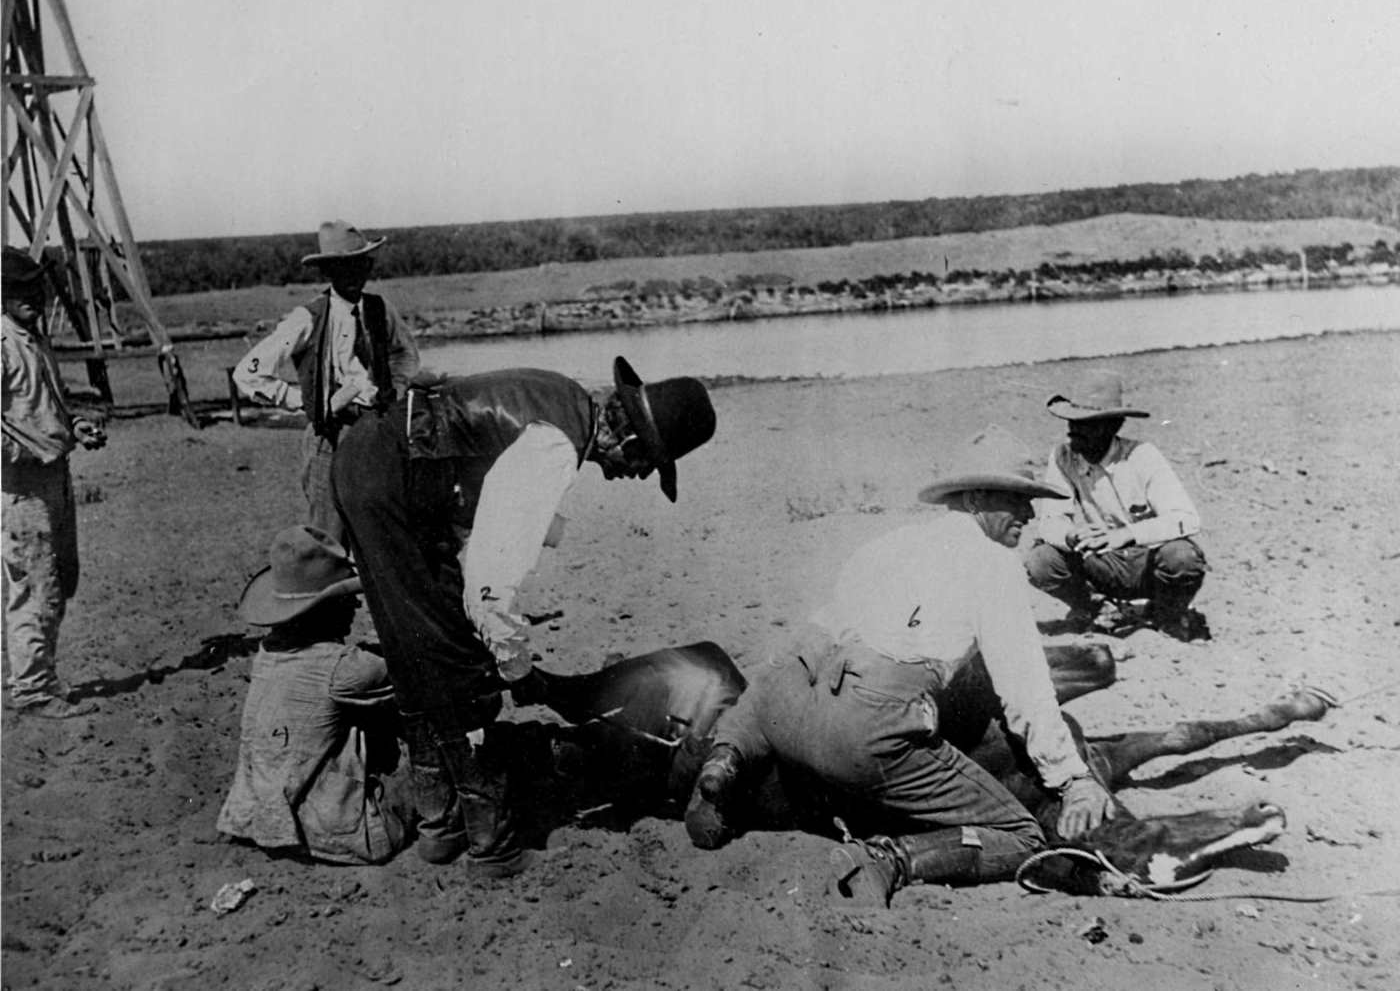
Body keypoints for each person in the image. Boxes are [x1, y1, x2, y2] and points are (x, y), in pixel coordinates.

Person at [685, 426, 1115, 906]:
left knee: (789, 682)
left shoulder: (890, 544)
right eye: (1015, 499)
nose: (1029, 512)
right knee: (1023, 836)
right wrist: (1072, 780)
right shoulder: (994, 566)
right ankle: (891, 859)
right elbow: (1025, 690)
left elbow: (815, 635)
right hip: (865, 725)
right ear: (975, 499)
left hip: (786, 705)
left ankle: (726, 759)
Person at [331, 358, 716, 878]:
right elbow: (489, 587)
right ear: (629, 444)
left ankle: (439, 828)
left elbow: (472, 492)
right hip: (389, 479)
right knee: (458, 664)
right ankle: (493, 846)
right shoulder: (553, 446)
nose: (637, 476)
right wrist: (514, 668)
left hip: (373, 467)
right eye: (647, 465)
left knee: (414, 652)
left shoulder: (562, 398)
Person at [217, 526, 416, 864]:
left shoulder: (269, 651)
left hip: (259, 814)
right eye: (346, 598)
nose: (355, 605)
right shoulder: (343, 668)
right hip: (332, 831)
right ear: (325, 609)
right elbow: (416, 673)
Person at [232, 220, 419, 545]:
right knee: (328, 537)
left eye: (362, 263)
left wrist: (397, 388)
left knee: (383, 527)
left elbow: (406, 354)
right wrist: (304, 402)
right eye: (343, 266)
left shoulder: (379, 309)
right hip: (332, 436)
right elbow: (248, 372)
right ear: (328, 272)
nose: (355, 273)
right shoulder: (309, 318)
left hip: (379, 430)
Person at [1024, 368, 1209, 641]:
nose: (1073, 431)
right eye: (1072, 422)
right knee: (1041, 561)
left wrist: (1126, 535)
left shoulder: (1142, 456)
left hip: (1146, 563)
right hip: (1099, 563)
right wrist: (1072, 535)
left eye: (1086, 423)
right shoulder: (1063, 457)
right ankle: (1097, 607)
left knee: (1182, 557)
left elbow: (1186, 518)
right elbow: (1050, 521)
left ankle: (1167, 613)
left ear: (1112, 426)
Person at [2, 247, 107, 719]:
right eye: (20, 290)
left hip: (53, 478)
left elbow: (47, 406)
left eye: (37, 289)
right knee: (35, 584)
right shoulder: (3, 344)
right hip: (22, 488)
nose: (33, 298)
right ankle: (33, 691)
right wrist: (29, 449)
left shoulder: (34, 341)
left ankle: (31, 675)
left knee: (59, 580)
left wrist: (74, 427)